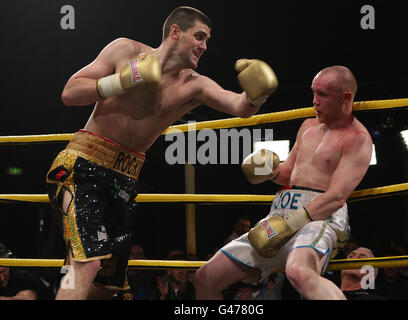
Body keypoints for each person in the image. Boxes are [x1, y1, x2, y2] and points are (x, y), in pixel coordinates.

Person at [46, 6, 277, 300]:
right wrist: (121, 80)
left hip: (125, 183)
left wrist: (257, 94)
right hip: (83, 166)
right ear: (175, 32)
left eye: (207, 40)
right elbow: (70, 92)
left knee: (105, 284)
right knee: (88, 260)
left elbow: (240, 107)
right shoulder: (125, 50)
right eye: (200, 36)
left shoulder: (193, 85)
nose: (204, 46)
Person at [194, 65, 373, 300]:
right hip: (280, 213)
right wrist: (269, 171)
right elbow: (288, 174)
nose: (315, 101)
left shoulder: (358, 139)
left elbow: (337, 197)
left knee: (299, 272)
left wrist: (292, 223)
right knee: (205, 278)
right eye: (313, 93)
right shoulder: (307, 127)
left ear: (346, 97)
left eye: (323, 95)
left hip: (321, 217)